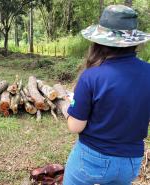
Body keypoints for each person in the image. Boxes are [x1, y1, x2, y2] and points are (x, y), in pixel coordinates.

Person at [63, 5, 150, 185]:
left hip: (91, 159)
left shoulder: (91, 76)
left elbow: (75, 126)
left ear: (99, 41)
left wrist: (68, 108)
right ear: (134, 41)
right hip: (131, 162)